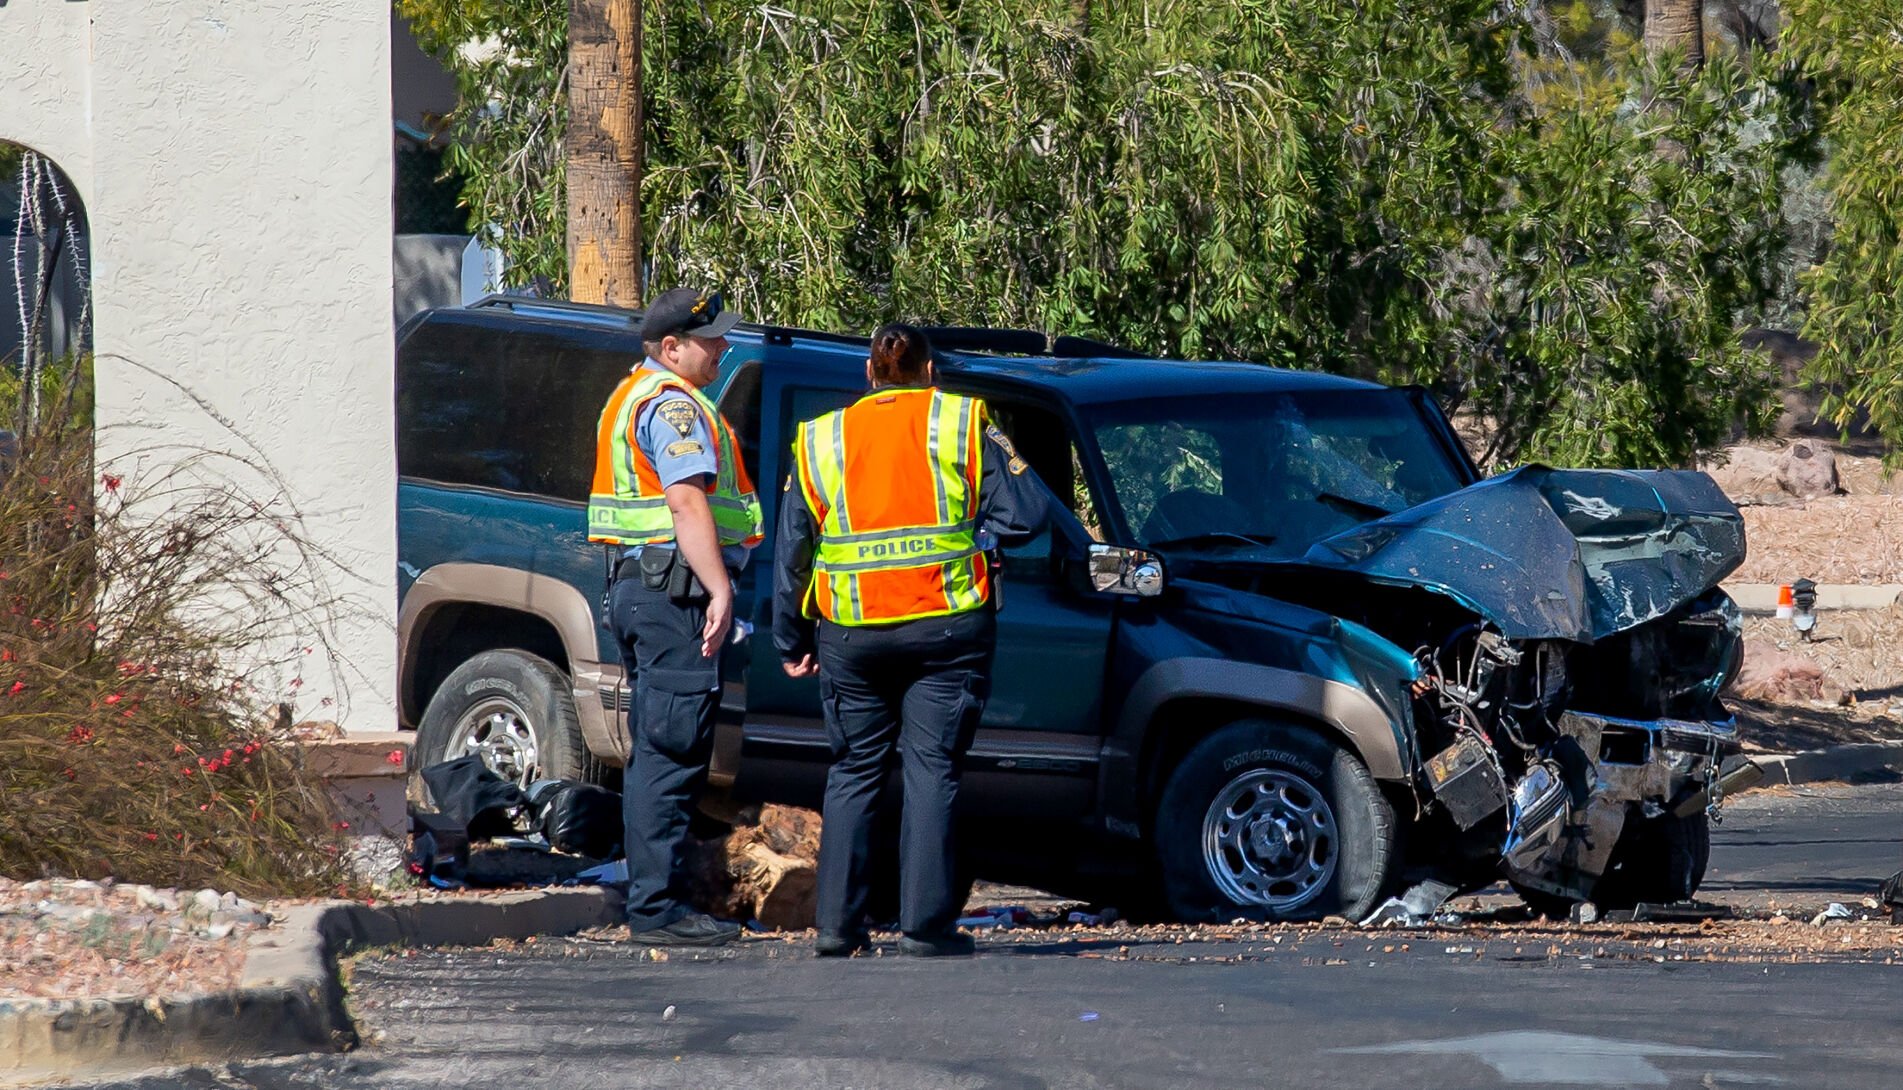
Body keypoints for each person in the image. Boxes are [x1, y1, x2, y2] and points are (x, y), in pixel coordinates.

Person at [772, 323, 1052, 957]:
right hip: (946, 624)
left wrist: (790, 637)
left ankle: (837, 929)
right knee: (932, 772)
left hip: (851, 631)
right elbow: (1029, 514)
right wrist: (979, 529)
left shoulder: (821, 437)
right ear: (931, 372)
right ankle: (925, 928)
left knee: (853, 771)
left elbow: (794, 550)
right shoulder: (962, 420)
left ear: (868, 377)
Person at [587, 286, 763, 946]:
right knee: (670, 747)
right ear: (670, 347)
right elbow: (686, 504)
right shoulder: (671, 407)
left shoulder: (639, 394)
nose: (722, 347)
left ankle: (654, 899)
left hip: (647, 591)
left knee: (658, 747)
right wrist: (720, 590)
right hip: (672, 596)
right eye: (710, 339)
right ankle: (657, 910)